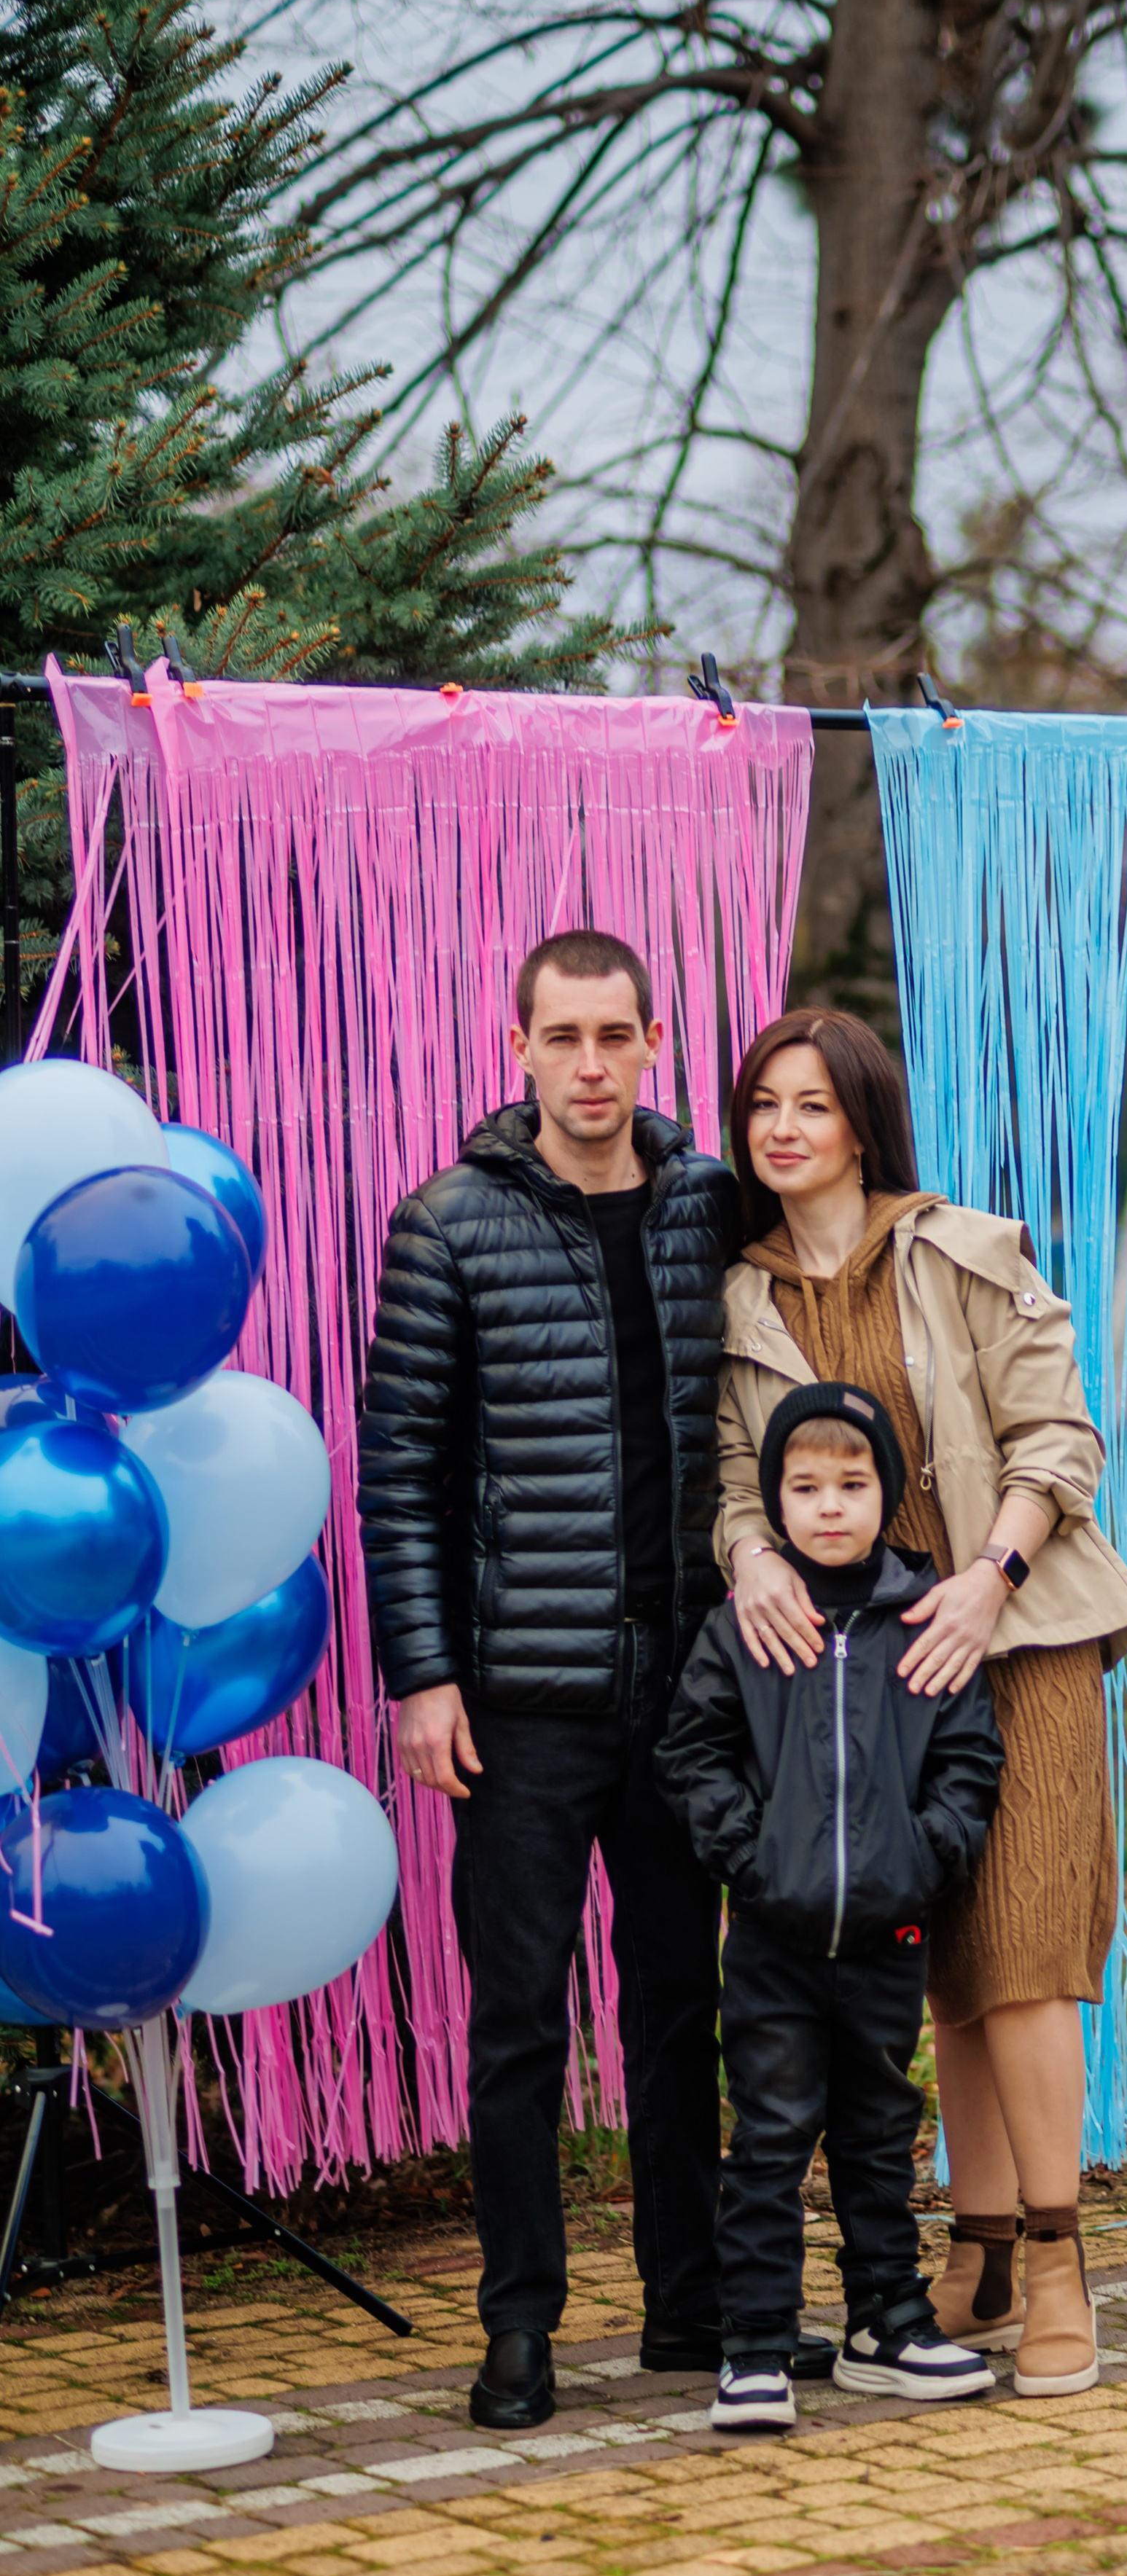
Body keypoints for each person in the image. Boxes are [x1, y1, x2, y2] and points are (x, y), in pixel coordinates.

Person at [715, 1011, 1127, 2399]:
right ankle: (974, 2241)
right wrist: (744, 1554)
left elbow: (1060, 1438)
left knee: (1020, 1955)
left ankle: (1061, 2263)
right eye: (764, 1107)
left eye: (813, 1106)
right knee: (940, 1963)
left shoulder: (968, 1251)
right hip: (864, 1674)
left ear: (862, 1124)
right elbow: (737, 1480)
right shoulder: (741, 1300)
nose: (784, 1129)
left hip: (1009, 1642)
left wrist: (988, 1578)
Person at [358, 927, 762, 2432]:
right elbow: (400, 1475)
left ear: (653, 1040)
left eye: (614, 1035)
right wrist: (423, 1675)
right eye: (562, 1038)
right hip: (519, 1706)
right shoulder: (446, 1226)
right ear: (518, 1047)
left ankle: (689, 2306)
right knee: (522, 2018)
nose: (589, 1064)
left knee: (678, 2007)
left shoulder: (707, 1205)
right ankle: (518, 2325)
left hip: (685, 1691)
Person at [656, 1380, 1005, 2432]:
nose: (830, 1507)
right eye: (805, 1488)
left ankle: (885, 2323)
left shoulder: (924, 1617)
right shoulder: (748, 1626)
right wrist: (748, 1859)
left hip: (890, 1936)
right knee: (769, 2137)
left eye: (852, 1485)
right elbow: (695, 1751)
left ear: (884, 1493)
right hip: (772, 1937)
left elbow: (969, 1759)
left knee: (874, 2132)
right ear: (777, 1502)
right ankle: (755, 2345)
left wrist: (923, 1857)